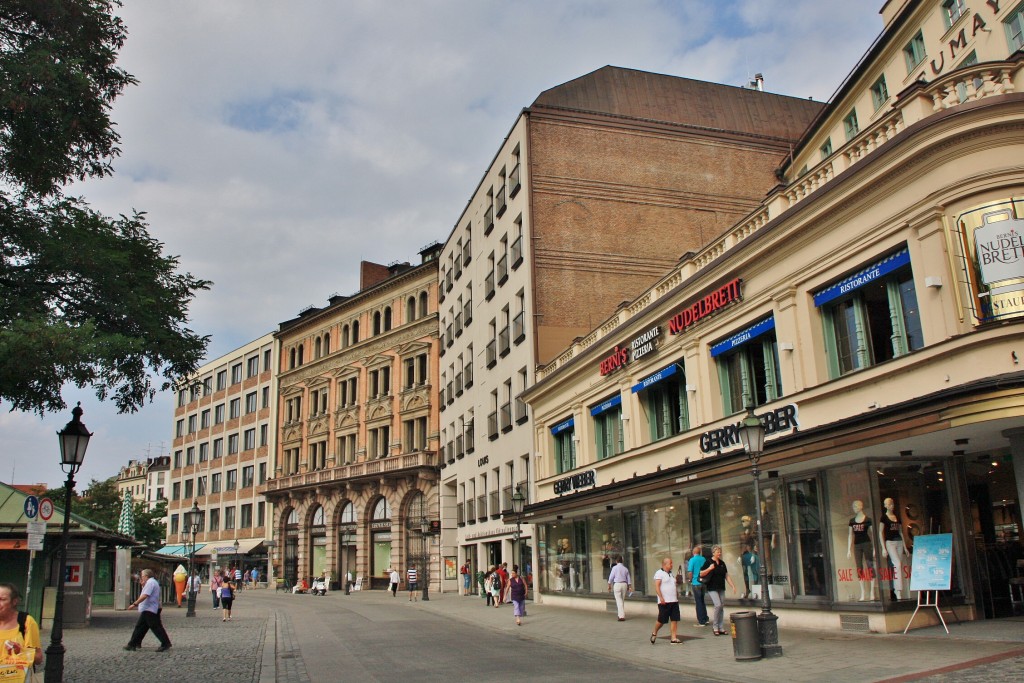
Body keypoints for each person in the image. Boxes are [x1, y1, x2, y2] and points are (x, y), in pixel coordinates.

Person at [124, 568, 172, 652]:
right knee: (141, 627)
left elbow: (145, 595)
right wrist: (142, 585)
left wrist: (134, 604)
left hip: (149, 608)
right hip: (150, 608)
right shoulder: (152, 582)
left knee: (155, 627)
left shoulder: (150, 583)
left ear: (146, 576)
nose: (141, 577)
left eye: (142, 576)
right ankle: (134, 643)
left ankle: (165, 643)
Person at [0, 582, 43, 675]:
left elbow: (38, 658)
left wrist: (20, 651)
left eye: (2, 599)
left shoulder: (26, 622)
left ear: (14, 601)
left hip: (15, 678)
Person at [699, 545, 737, 636]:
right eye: (718, 552)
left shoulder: (722, 563)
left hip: (721, 587)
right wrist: (709, 568)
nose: (719, 553)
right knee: (718, 605)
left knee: (721, 607)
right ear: (713, 553)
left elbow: (726, 575)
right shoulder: (708, 562)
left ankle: (721, 627)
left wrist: (732, 586)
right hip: (712, 587)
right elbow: (700, 573)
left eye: (720, 552)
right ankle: (715, 627)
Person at [879, 497, 909, 601]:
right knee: (897, 564)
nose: (891, 506)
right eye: (889, 504)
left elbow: (901, 532)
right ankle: (898, 590)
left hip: (899, 542)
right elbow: (880, 532)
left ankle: (898, 590)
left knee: (898, 566)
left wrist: (905, 547)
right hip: (890, 542)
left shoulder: (897, 517)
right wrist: (883, 548)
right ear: (885, 506)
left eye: (892, 504)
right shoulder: (884, 518)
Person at [847, 499, 876, 601]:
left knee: (870, 565)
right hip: (857, 545)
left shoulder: (868, 520)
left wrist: (875, 548)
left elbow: (873, 534)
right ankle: (863, 592)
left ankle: (872, 592)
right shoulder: (852, 521)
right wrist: (848, 549)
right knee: (859, 567)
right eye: (853, 506)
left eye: (855, 506)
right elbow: (850, 535)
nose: (854, 508)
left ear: (861, 506)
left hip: (867, 543)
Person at [650, 557, 681, 644]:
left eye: (672, 563)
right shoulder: (659, 573)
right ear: (664, 564)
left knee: (674, 619)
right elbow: (657, 586)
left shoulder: (671, 574)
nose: (672, 565)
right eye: (670, 563)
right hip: (664, 601)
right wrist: (661, 597)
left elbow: (673, 585)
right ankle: (654, 632)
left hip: (673, 600)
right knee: (662, 620)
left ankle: (673, 638)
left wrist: (676, 594)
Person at [687, 545, 709, 626]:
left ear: (693, 552)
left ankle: (701, 621)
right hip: (703, 582)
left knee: (698, 602)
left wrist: (691, 579)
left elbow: (690, 572)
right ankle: (706, 618)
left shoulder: (692, 560)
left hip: (696, 583)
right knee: (702, 601)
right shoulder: (703, 559)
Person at [607, 555, 632, 621]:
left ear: (616, 561)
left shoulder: (614, 568)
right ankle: (620, 614)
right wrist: (630, 586)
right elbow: (628, 578)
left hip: (617, 584)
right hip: (624, 584)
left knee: (618, 600)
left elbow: (611, 577)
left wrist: (609, 584)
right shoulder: (625, 569)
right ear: (622, 561)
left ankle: (621, 616)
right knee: (622, 600)